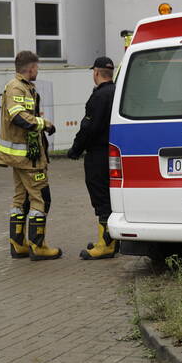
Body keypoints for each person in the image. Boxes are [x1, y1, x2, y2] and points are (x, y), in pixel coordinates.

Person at [0, 50, 60, 261]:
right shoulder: (17, 87)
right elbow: (18, 117)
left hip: (22, 157)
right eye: (37, 68)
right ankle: (37, 246)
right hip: (28, 159)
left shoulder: (23, 87)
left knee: (20, 199)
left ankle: (18, 244)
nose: (37, 71)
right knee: (41, 198)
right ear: (30, 68)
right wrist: (44, 124)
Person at [67, 57, 118, 260]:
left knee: (101, 198)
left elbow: (89, 127)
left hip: (98, 154)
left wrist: (75, 150)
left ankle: (105, 245)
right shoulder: (117, 92)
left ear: (96, 72)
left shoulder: (98, 97)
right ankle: (111, 239)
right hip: (113, 152)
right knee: (110, 197)